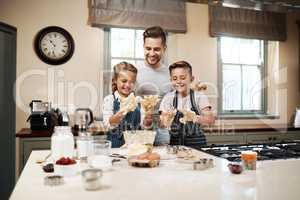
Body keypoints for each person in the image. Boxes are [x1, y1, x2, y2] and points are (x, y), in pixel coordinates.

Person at [159, 61, 215, 149]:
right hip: (175, 146)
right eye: (175, 78)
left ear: (191, 79)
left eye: (183, 78)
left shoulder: (199, 97)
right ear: (171, 80)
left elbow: (210, 120)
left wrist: (194, 117)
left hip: (198, 145)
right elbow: (162, 124)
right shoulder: (168, 98)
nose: (178, 81)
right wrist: (166, 119)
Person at [136, 26, 172, 145]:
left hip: (162, 130)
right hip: (138, 130)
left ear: (164, 48)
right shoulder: (135, 72)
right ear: (143, 47)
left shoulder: (170, 74)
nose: (151, 53)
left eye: (156, 49)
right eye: (148, 48)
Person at [102, 62, 142, 148]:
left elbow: (143, 124)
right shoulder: (110, 100)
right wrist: (118, 116)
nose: (127, 85)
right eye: (124, 81)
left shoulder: (138, 101)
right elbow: (107, 124)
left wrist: (148, 119)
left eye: (131, 82)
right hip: (115, 148)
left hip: (134, 147)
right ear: (115, 80)